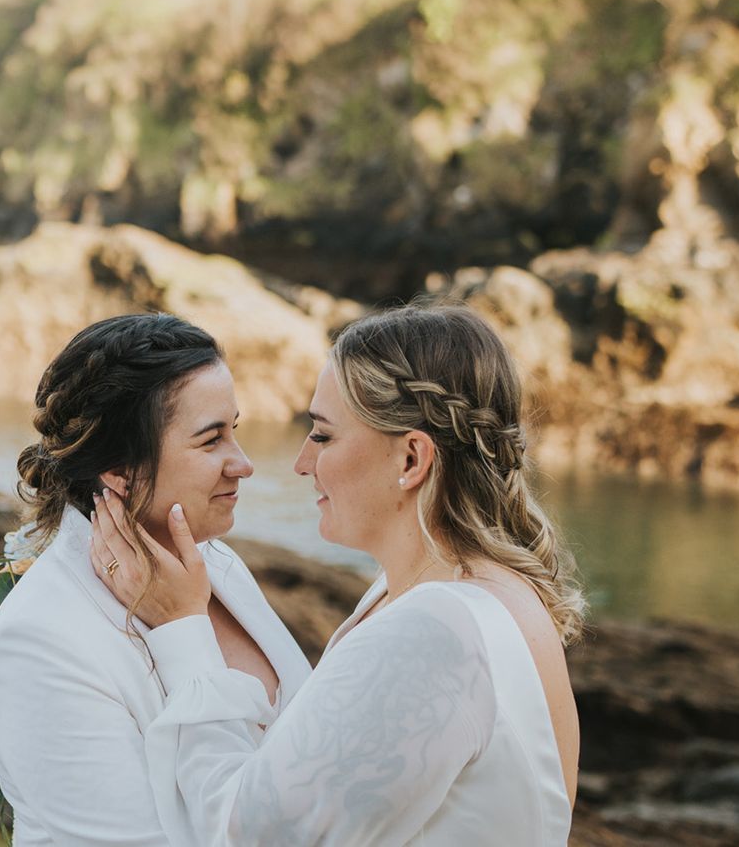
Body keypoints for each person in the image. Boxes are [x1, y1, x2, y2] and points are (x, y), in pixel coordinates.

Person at [92, 304, 585, 846]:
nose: (301, 462)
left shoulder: (432, 631)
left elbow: (249, 837)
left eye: (323, 436)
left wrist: (183, 631)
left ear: (411, 460)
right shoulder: (481, 591)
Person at [0, 314, 312, 846]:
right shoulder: (39, 640)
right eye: (211, 440)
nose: (243, 464)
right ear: (119, 468)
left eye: (235, 430)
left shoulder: (215, 562)